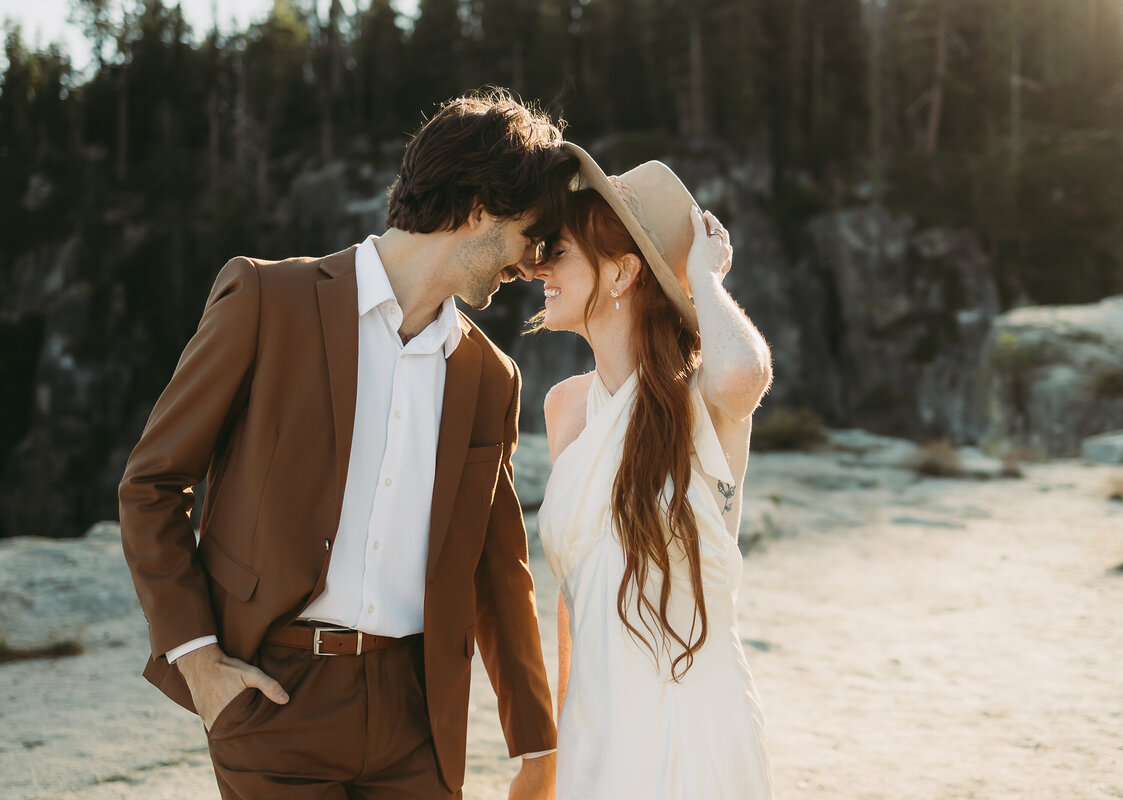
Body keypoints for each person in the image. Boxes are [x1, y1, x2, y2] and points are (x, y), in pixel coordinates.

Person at [118, 90, 577, 799]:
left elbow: (496, 564)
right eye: (533, 234)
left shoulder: (491, 376)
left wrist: (537, 744)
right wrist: (199, 663)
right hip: (274, 701)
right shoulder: (268, 300)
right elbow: (152, 482)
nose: (532, 263)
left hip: (415, 715)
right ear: (484, 203)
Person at [530, 144, 775, 799]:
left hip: (694, 728)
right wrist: (559, 743)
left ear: (620, 273)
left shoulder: (703, 397)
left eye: (559, 251)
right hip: (600, 731)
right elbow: (574, 593)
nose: (537, 268)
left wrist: (706, 277)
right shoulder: (564, 409)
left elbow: (744, 374)